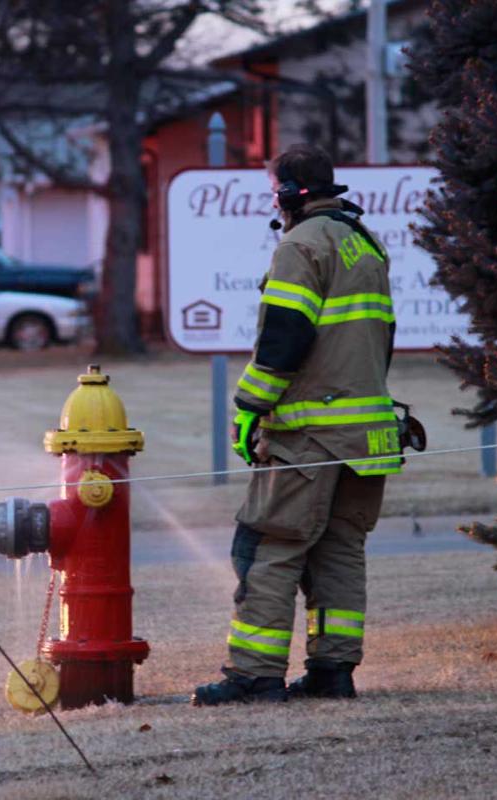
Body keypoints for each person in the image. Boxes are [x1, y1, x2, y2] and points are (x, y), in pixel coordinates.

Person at [192, 143, 401, 705]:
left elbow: (284, 339)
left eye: (273, 193)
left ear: (287, 193)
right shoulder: (366, 244)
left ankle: (254, 676)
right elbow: (380, 340)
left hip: (309, 435)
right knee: (337, 550)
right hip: (369, 436)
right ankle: (334, 673)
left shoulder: (300, 246)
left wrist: (249, 408)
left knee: (267, 547)